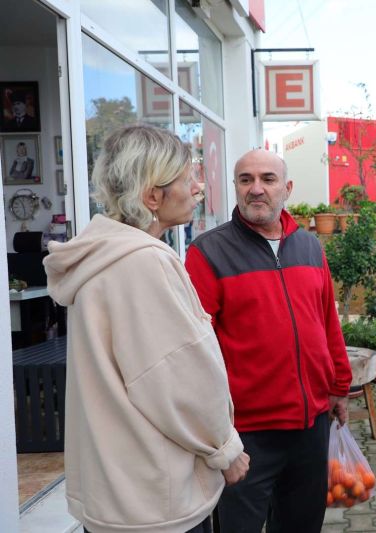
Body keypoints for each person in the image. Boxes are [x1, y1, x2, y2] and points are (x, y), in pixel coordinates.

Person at [43, 125, 249, 533]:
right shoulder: (142, 263)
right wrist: (225, 449)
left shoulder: (100, 259)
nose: (197, 187)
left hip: (119, 493)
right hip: (156, 500)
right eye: (187, 178)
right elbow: (177, 378)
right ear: (153, 196)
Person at [185, 149, 352, 533]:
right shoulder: (208, 253)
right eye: (245, 180)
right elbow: (196, 351)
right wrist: (215, 430)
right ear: (235, 188)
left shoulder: (309, 246)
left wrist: (339, 386)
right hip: (247, 435)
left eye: (267, 179)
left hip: (310, 426)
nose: (256, 189)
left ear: (287, 188)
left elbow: (328, 322)